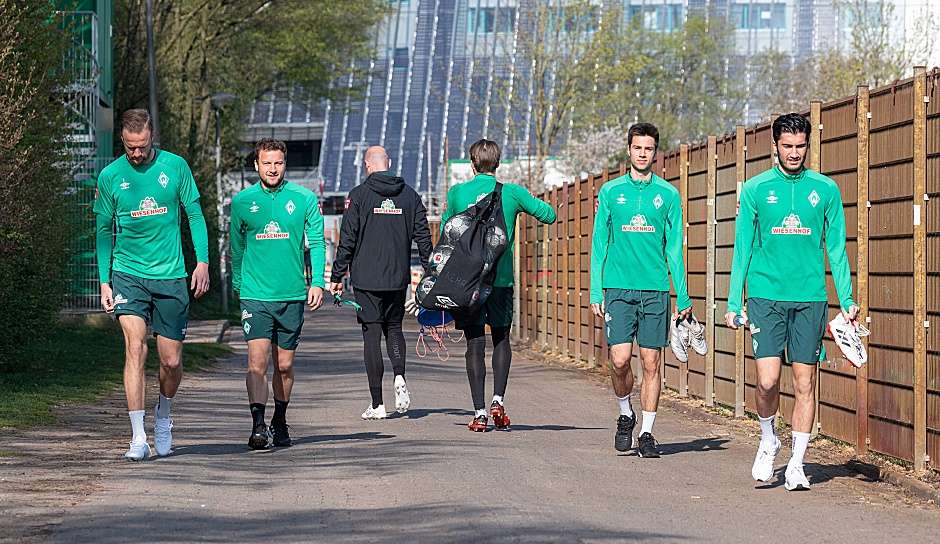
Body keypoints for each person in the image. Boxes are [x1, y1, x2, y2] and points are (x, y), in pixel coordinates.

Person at [725, 113, 858, 490]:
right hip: (765, 296)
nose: (794, 152)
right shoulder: (754, 190)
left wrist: (847, 299)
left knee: (805, 382)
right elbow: (742, 250)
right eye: (788, 146)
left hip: (810, 299)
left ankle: (797, 464)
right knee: (767, 381)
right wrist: (734, 303)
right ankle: (768, 438)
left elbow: (837, 249)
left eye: (800, 146)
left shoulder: (826, 190)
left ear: (808, 146)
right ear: (775, 146)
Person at [94, 108, 210, 460]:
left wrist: (202, 262)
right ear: (123, 143)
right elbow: (102, 231)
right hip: (128, 274)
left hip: (171, 275)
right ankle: (137, 437)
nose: (137, 153)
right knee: (134, 346)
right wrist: (104, 281)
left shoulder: (175, 167)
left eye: (142, 146)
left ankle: (163, 414)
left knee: (171, 361)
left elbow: (194, 215)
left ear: (152, 136)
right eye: (130, 147)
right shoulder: (110, 176)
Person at [589, 122, 692, 458]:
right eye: (637, 148)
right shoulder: (610, 192)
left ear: (655, 152)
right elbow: (599, 244)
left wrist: (684, 295)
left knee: (651, 362)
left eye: (648, 148)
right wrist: (595, 291)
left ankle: (647, 432)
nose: (643, 153)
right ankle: (625, 412)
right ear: (629, 150)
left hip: (655, 289)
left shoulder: (669, 195)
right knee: (619, 361)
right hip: (617, 288)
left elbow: (674, 249)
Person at [441, 139, 556, 432]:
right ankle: (498, 401)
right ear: (498, 163)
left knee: (474, 342)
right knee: (502, 338)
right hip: (501, 279)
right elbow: (549, 215)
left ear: (472, 163)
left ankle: (479, 413)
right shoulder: (512, 193)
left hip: (467, 282)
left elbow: (446, 233)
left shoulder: (456, 194)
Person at [230, 138, 325, 449]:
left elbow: (318, 242)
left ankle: (280, 419)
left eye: (278, 163)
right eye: (266, 163)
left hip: (291, 295)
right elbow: (237, 248)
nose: (272, 168)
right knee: (256, 362)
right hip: (255, 296)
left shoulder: (304, 199)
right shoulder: (243, 201)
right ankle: (258, 425)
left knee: (284, 365)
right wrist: (239, 285)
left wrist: (318, 282)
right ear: (256, 165)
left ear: (285, 164)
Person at [330, 146, 432, 420]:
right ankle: (399, 376)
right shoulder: (410, 196)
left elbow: (347, 239)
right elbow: (423, 236)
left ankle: (377, 404)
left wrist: (337, 275)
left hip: (366, 281)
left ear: (367, 166)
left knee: (372, 336)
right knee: (395, 329)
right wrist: (430, 271)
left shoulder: (359, 196)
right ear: (388, 163)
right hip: (397, 279)